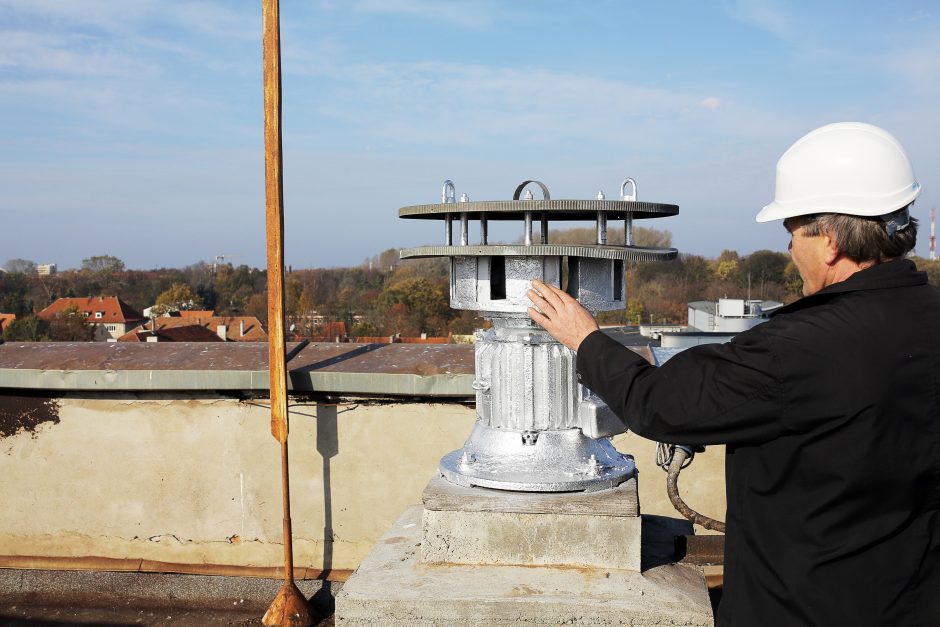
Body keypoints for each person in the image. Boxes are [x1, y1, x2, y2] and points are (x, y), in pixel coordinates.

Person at [527, 122, 939, 627]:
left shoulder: (799, 348)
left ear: (829, 242)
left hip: (805, 608)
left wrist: (585, 339)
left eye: (792, 231)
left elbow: (661, 405)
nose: (789, 249)